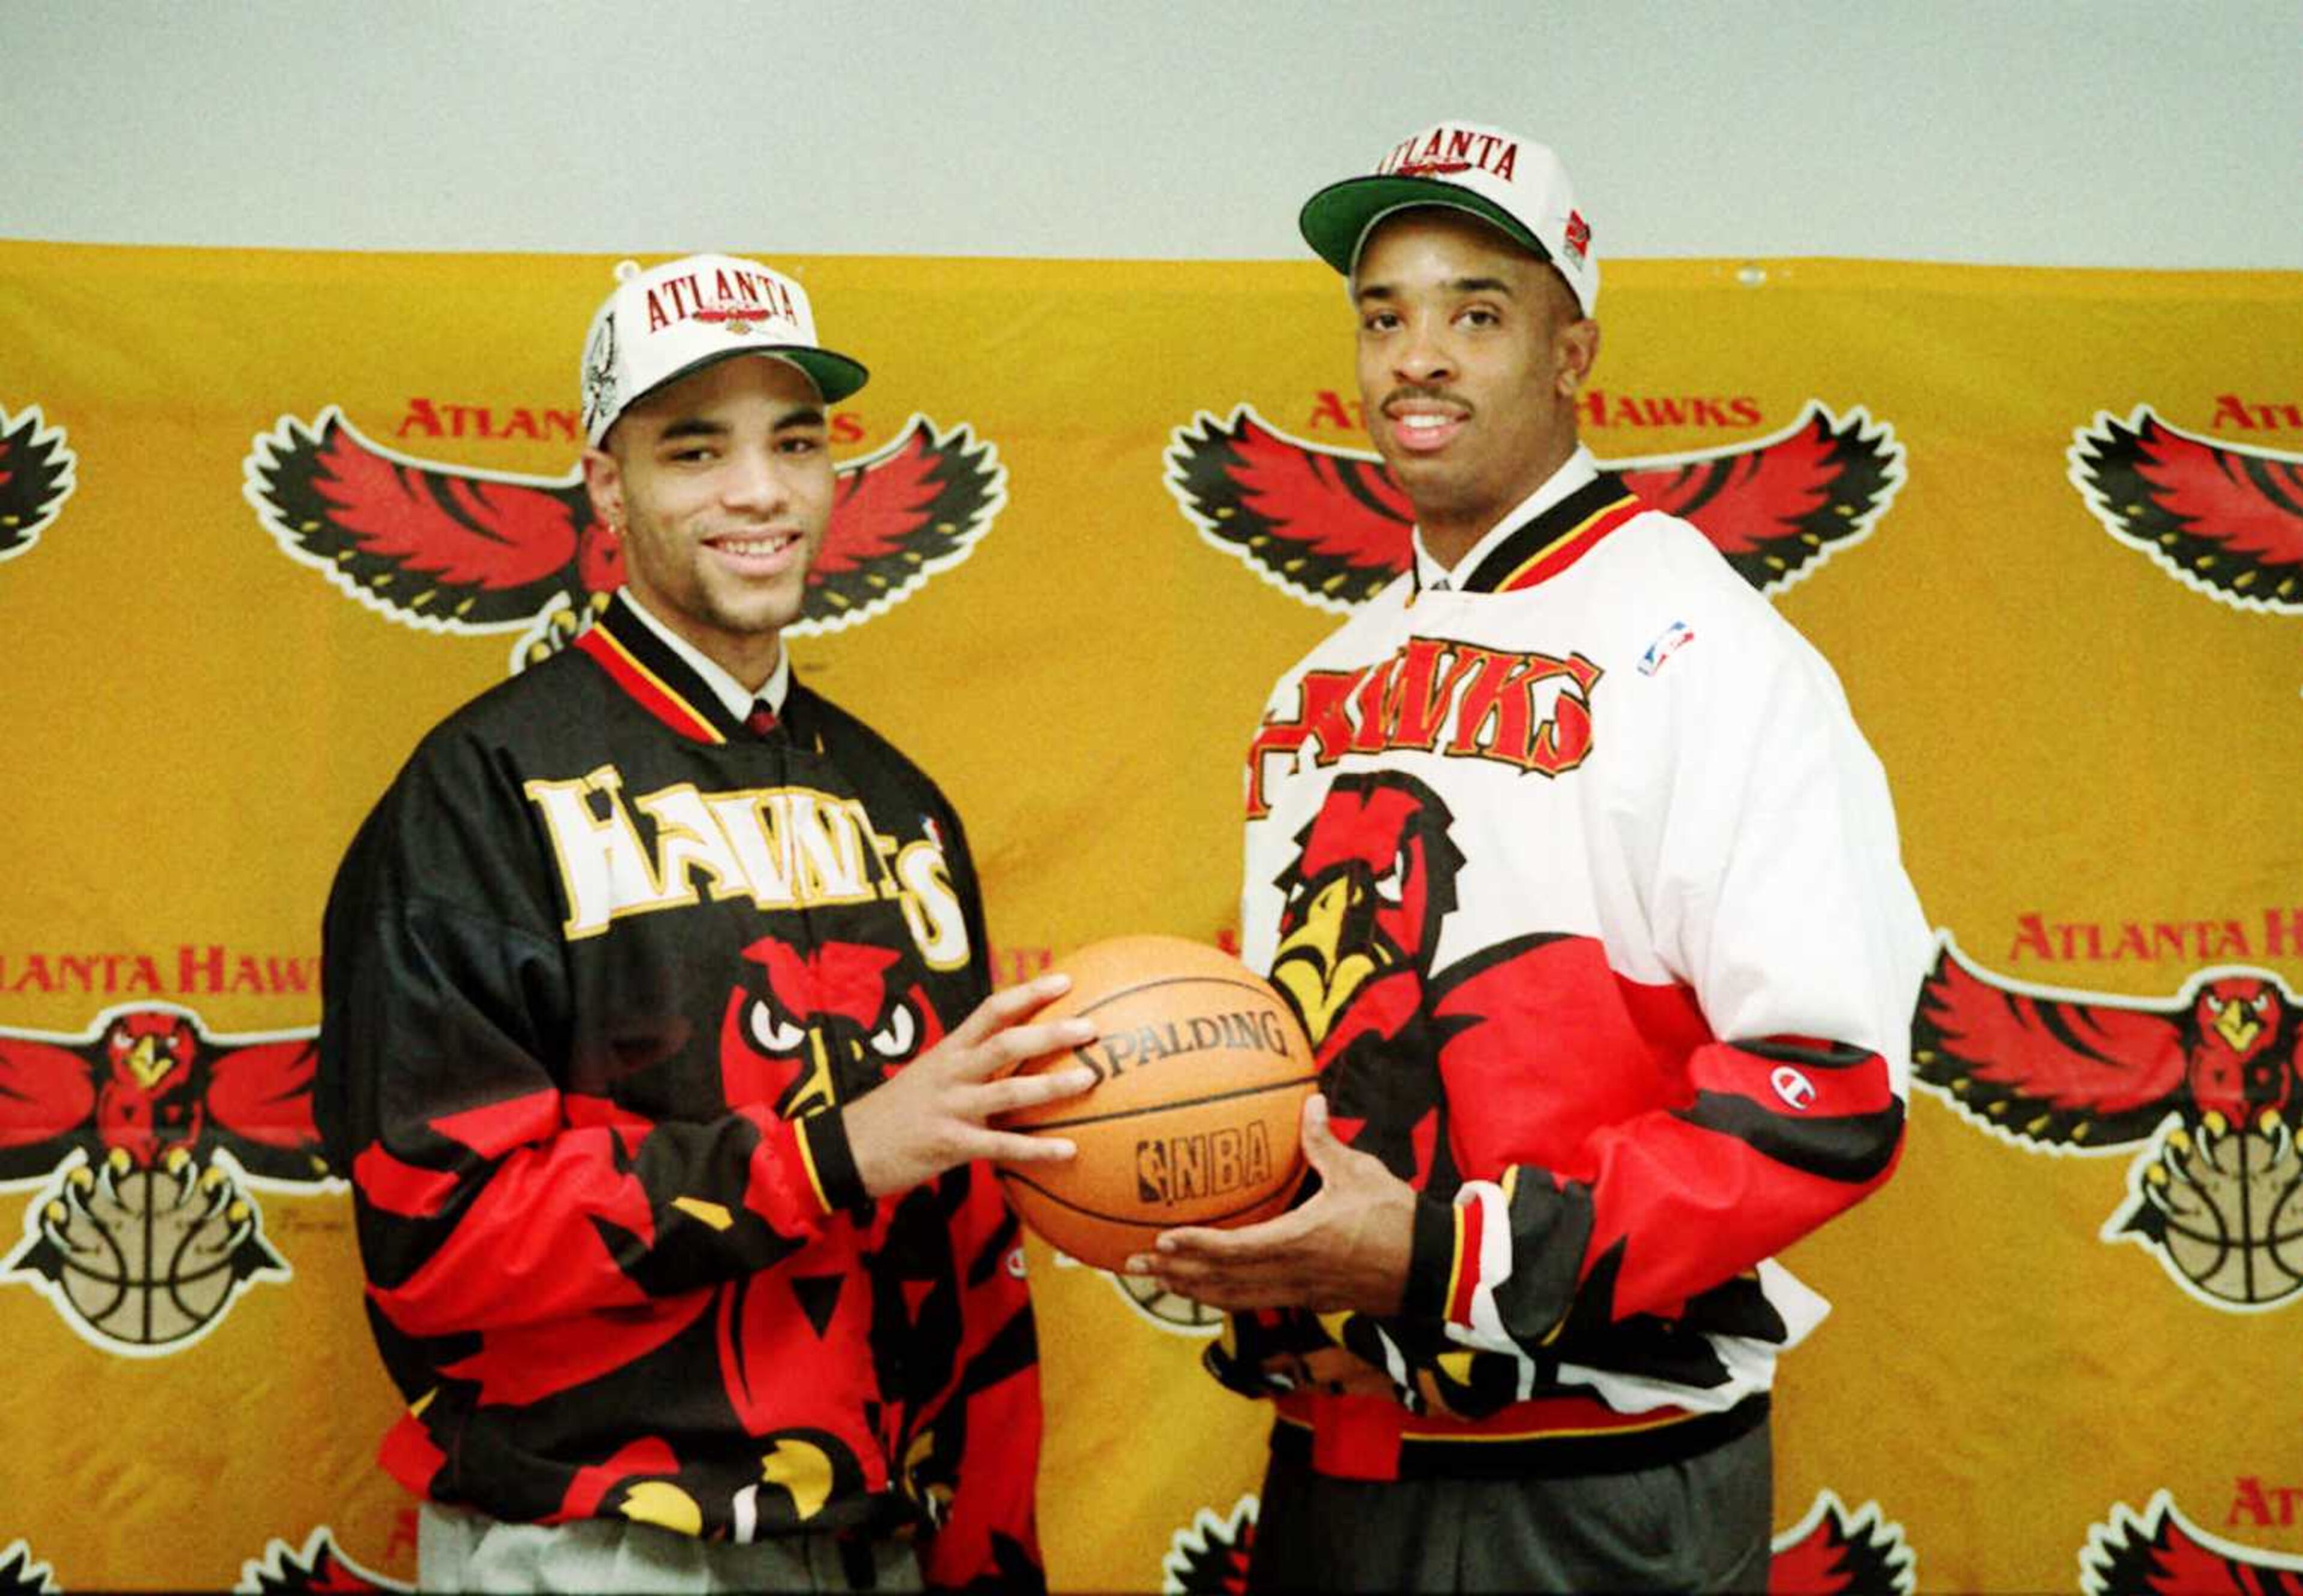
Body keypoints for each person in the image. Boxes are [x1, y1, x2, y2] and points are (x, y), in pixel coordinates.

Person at [1131, 122, 1932, 1592]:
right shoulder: (1319, 682)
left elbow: (1830, 1089)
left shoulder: (1707, 650)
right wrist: (1195, 1193)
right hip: (1337, 1462)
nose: (1416, 357)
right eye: (1385, 315)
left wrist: (1447, 1253)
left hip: (1594, 1492)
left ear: (1574, 350)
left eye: (1475, 313)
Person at [316, 253, 1098, 1594]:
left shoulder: (898, 802)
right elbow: (434, 1238)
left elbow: (970, 1246)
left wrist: (990, 1552)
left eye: (795, 442)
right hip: (598, 1544)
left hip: (877, 1539)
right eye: (696, 448)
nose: (759, 491)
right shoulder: (483, 789)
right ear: (607, 485)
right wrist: (834, 1153)